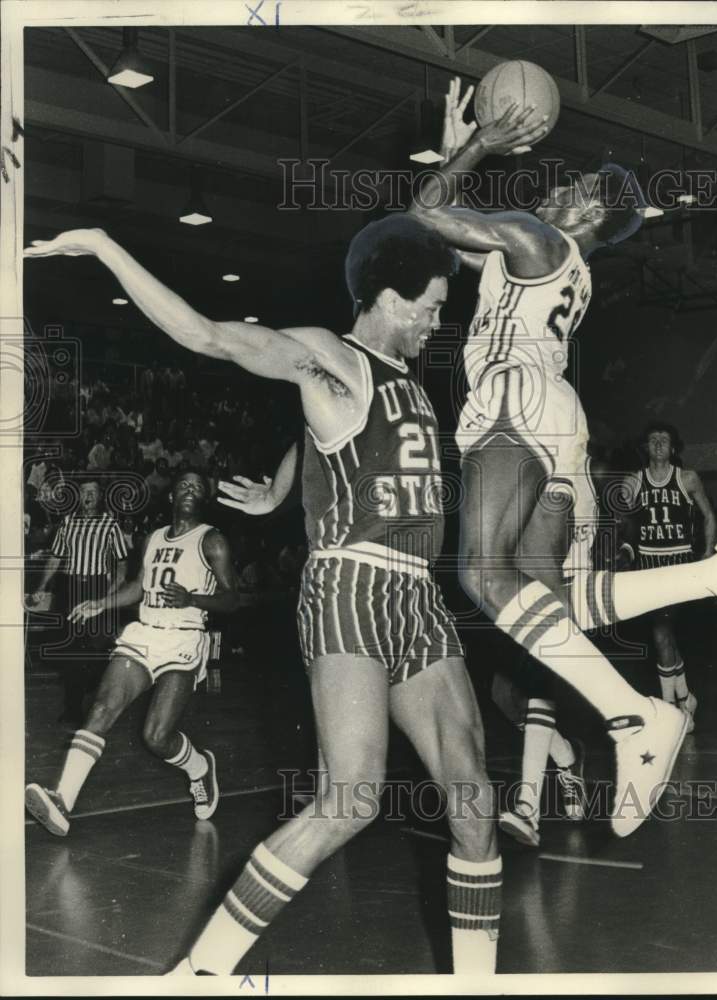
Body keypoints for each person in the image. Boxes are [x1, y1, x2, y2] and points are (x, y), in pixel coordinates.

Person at [26, 217, 503, 977]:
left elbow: (330, 433)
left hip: (418, 597)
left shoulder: (399, 378)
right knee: (351, 799)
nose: (438, 320)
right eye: (431, 306)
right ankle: (200, 973)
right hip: (352, 584)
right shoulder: (327, 356)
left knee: (474, 798)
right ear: (386, 297)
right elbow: (207, 335)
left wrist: (282, 486)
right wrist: (107, 247)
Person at [406, 80, 717, 841]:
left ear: (592, 212)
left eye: (577, 184)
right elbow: (445, 243)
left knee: (479, 572)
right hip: (555, 412)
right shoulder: (559, 259)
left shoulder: (538, 240)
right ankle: (716, 575)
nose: (561, 183)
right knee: (550, 603)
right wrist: (449, 150)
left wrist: (478, 147)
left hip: (515, 398)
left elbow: (423, 215)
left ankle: (636, 717)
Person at [24, 470, 238, 837]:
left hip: (183, 638)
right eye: (184, 484)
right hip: (144, 634)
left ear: (202, 500)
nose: (190, 489)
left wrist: (193, 598)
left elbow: (234, 598)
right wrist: (101, 603)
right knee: (102, 706)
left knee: (155, 737)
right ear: (171, 496)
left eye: (198, 487)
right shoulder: (153, 538)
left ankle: (200, 768)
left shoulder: (212, 541)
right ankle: (62, 802)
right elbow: (138, 586)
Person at [618, 423, 717, 732]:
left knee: (661, 629)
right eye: (653, 439)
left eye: (664, 439)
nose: (658, 443)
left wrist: (708, 552)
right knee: (665, 634)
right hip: (648, 564)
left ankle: (670, 711)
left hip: (678, 563)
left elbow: (709, 516)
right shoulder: (633, 481)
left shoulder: (687, 478)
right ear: (645, 447)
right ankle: (685, 698)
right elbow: (621, 519)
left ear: (674, 447)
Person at [27, 477, 128, 726]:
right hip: (70, 588)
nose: (88, 496)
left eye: (93, 492)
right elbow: (55, 559)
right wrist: (41, 587)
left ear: (100, 496)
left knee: (94, 650)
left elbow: (122, 566)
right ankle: (73, 708)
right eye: (84, 492)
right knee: (71, 650)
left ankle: (91, 690)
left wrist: (107, 597)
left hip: (97, 588)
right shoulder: (68, 523)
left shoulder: (110, 525)